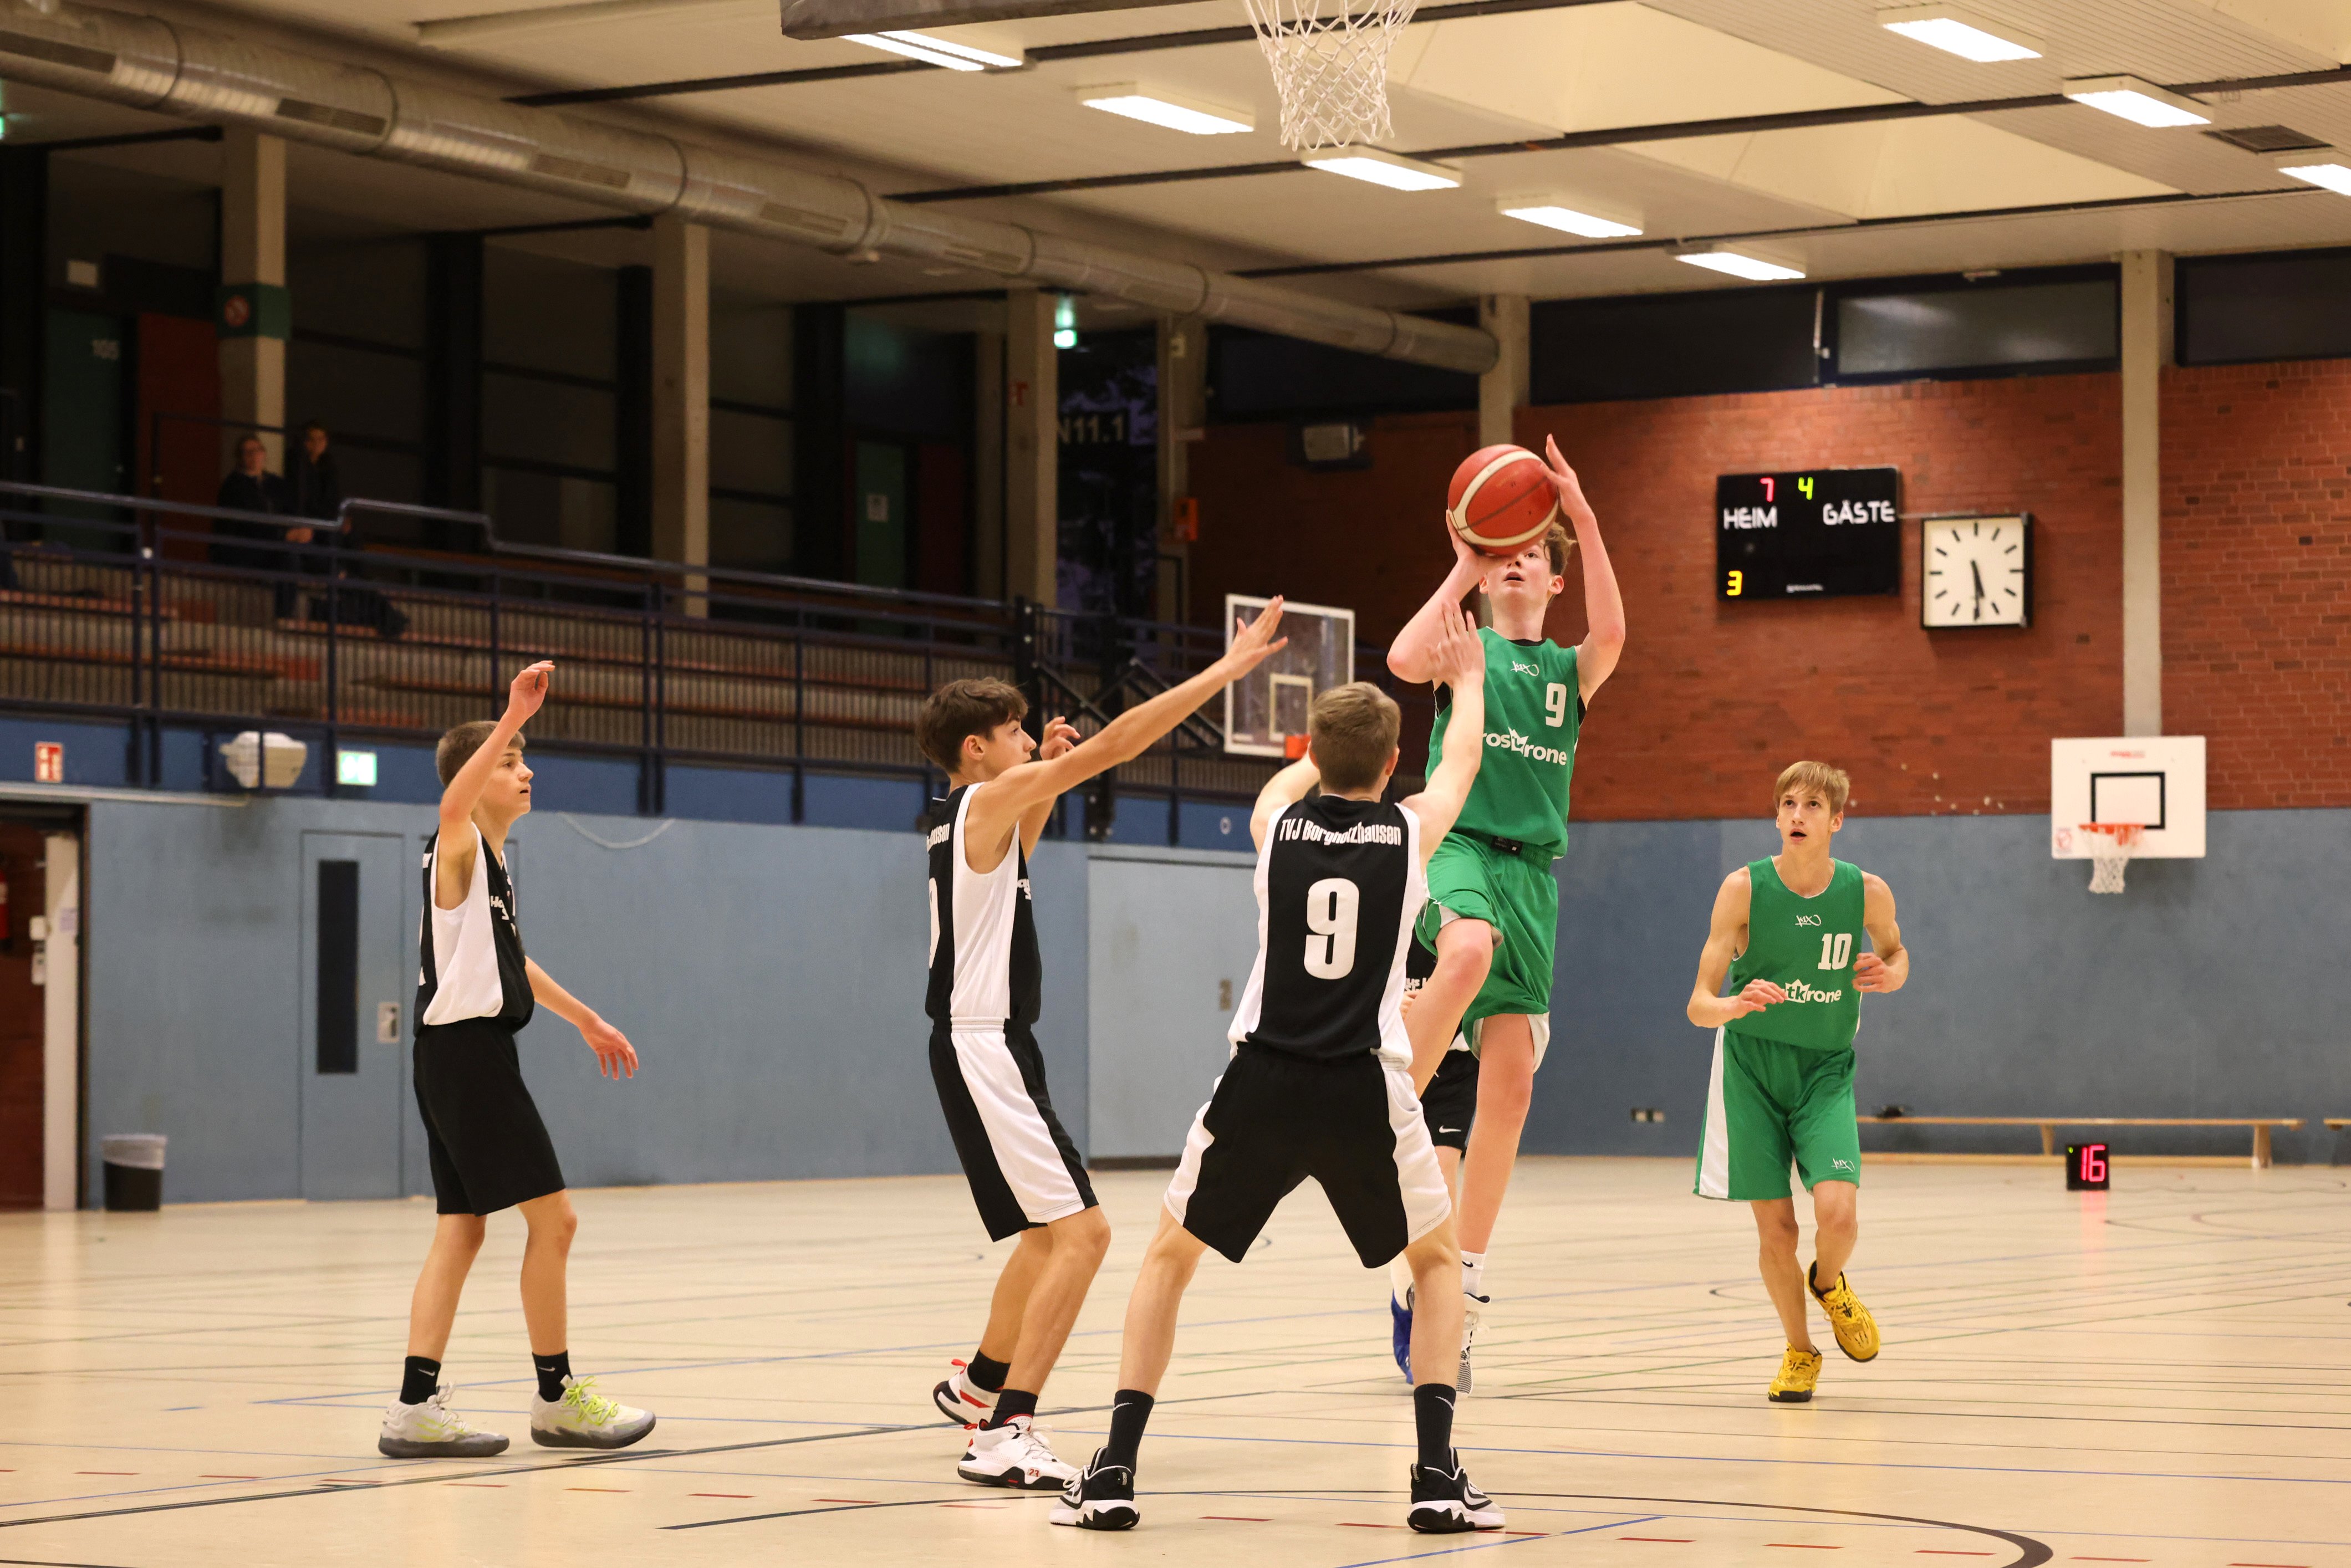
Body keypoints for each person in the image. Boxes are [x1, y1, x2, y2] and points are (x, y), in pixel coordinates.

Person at [1053, 610, 1500, 1535]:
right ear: (1392, 765)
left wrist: (1309, 752)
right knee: (1436, 1263)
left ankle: (1114, 1469)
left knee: (1168, 1259)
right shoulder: (1411, 830)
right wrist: (1468, 680)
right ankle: (1434, 1474)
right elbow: (1460, 761)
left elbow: (1284, 784)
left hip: (1261, 1076)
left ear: (1315, 757)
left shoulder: (1275, 826)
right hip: (1363, 1084)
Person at [920, 600, 1290, 1491]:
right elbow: (1118, 745)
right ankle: (1006, 1431)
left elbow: (1026, 840)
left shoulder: (974, 814)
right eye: (1014, 733)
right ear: (976, 749)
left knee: (1045, 1238)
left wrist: (1044, 773)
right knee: (1084, 1236)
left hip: (992, 1042)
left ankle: (980, 1384)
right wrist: (1222, 673)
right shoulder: (983, 799)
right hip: (984, 1043)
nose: (1028, 741)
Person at [1381, 435, 1626, 1390]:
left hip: (1533, 873)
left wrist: (1584, 517)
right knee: (1466, 949)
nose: (1520, 560)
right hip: (1460, 845)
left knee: (1512, 1086)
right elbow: (1403, 655)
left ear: (1556, 579)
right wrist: (1463, 562)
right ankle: (1375, 1089)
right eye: (1506, 552)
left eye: (1534, 552)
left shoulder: (1570, 668)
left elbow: (1615, 632)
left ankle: (1462, 1276)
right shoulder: (1465, 647)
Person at [376, 660, 656, 1459]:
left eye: (524, 759)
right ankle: (557, 1397)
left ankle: (413, 1408)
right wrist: (509, 716)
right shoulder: (458, 842)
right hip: (467, 1056)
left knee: (461, 1231)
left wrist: (586, 1019)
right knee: (554, 1220)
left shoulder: (492, 868)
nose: (525, 771)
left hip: (460, 1054)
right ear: (474, 776)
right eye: (508, 762)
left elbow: (514, 963)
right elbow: (451, 802)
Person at [1684, 760, 1908, 1403]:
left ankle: (1829, 1283)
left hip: (1823, 1071)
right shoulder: (1742, 889)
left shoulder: (1866, 892)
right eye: (1787, 803)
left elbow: (1895, 954)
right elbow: (1698, 1005)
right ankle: (1799, 1351)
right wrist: (1732, 1004)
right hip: (1751, 1070)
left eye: (1812, 805)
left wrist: (1892, 974)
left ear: (1836, 821)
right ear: (1776, 816)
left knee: (1837, 1214)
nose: (1797, 815)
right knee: (1777, 1233)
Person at [212, 434, 312, 619]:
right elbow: (248, 525)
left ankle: (341, 579)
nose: (253, 456)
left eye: (257, 451)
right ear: (240, 457)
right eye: (248, 452)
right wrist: (283, 536)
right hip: (248, 548)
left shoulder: (276, 484)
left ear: (264, 454)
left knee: (312, 552)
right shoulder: (234, 486)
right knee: (289, 559)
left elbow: (290, 511)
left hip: (276, 545)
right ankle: (283, 617)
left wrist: (299, 531)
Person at [291, 420, 344, 523]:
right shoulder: (295, 462)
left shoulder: (329, 465)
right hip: (303, 517)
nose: (317, 443)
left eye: (321, 439)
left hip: (325, 517)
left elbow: (334, 496)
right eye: (312, 439)